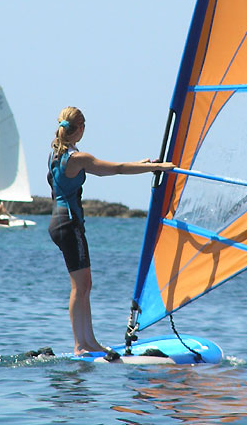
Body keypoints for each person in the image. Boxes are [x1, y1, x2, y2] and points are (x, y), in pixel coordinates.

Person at [47, 106, 175, 359]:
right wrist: (155, 168)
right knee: (79, 286)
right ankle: (80, 344)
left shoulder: (55, 154)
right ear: (80, 129)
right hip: (68, 224)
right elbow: (115, 168)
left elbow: (116, 166)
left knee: (84, 285)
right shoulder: (77, 158)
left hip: (61, 222)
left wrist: (141, 164)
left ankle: (89, 341)